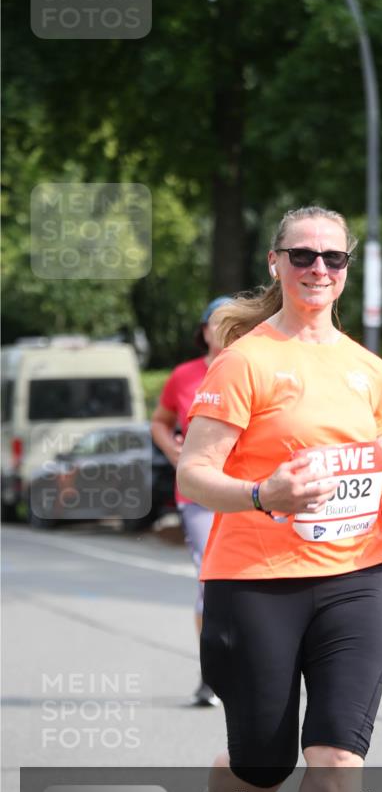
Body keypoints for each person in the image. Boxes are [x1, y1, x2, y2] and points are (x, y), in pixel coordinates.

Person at [178, 206, 382, 792]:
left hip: (356, 578)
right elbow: (196, 475)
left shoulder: (368, 369)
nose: (318, 269)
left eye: (332, 258)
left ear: (347, 269)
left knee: (334, 762)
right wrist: (264, 494)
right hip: (255, 583)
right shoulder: (245, 361)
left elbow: (371, 472)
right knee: (262, 765)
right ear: (275, 262)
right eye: (303, 256)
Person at [150, 295, 231, 706]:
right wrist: (173, 452)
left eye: (233, 321)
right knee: (210, 582)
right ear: (203, 331)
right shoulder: (183, 376)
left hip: (249, 493)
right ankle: (211, 673)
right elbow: (160, 422)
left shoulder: (260, 367)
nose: (223, 328)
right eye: (216, 322)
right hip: (198, 494)